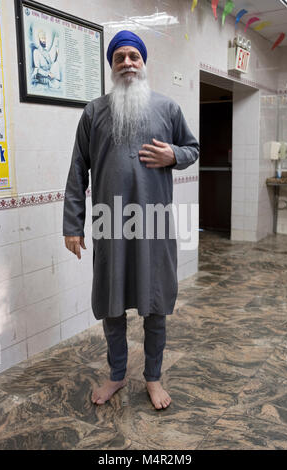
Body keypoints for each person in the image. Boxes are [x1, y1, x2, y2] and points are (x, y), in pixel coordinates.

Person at [63, 30, 199, 410]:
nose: (127, 63)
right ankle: (117, 374)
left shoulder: (167, 108)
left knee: (155, 305)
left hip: (154, 224)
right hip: (109, 225)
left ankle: (153, 378)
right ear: (111, 65)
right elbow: (77, 171)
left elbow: (193, 148)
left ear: (143, 63)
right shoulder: (93, 113)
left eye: (133, 57)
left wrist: (173, 154)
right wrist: (72, 224)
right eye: (119, 57)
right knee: (111, 305)